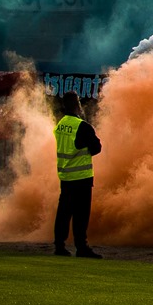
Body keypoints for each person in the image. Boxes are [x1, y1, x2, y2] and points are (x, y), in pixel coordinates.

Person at [53, 91, 103, 258]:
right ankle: (81, 247)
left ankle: (59, 245)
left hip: (65, 176)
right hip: (81, 177)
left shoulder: (61, 124)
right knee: (81, 214)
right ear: (76, 105)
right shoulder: (83, 126)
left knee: (64, 212)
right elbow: (97, 148)